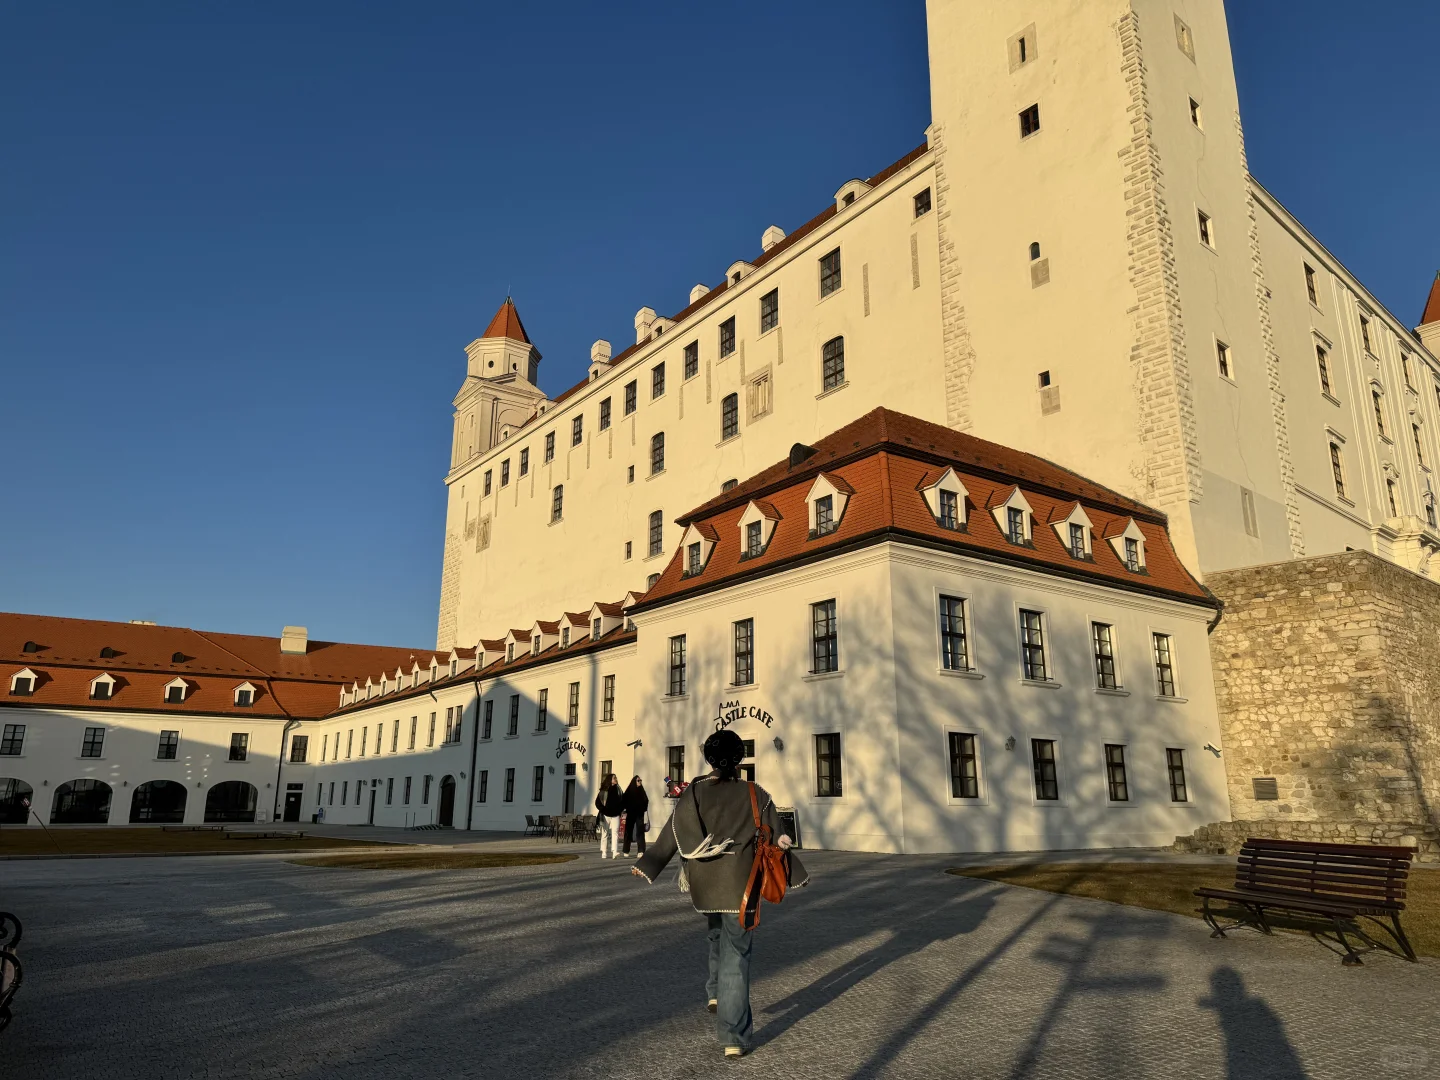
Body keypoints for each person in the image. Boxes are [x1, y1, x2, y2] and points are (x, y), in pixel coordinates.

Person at [633, 729, 807, 1059]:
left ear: (709, 758)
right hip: (743, 886)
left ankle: (714, 992)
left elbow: (675, 828)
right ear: (740, 758)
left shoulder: (695, 791)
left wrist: (650, 863)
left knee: (715, 933)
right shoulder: (757, 793)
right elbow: (776, 835)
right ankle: (733, 1036)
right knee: (736, 957)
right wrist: (794, 865)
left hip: (705, 882)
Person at [594, 773, 623, 859]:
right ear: (610, 780)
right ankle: (604, 851)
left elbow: (622, 801)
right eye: (614, 778)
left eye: (616, 778)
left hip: (615, 815)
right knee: (605, 833)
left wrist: (620, 810)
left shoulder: (619, 790)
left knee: (615, 833)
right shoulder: (604, 791)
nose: (616, 779)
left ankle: (614, 851)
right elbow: (597, 803)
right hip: (606, 815)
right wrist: (603, 810)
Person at [620, 775, 649, 857]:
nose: (640, 782)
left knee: (640, 832)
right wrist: (623, 810)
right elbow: (623, 800)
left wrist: (643, 808)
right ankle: (626, 850)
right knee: (628, 831)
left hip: (639, 814)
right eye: (638, 780)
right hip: (631, 813)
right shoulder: (629, 791)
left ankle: (641, 850)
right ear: (634, 781)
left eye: (640, 780)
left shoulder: (641, 790)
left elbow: (646, 800)